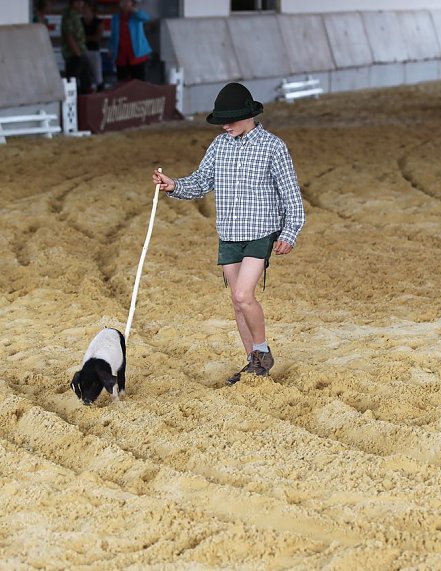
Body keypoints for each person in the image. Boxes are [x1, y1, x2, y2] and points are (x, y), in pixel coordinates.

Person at [152, 83, 306, 386]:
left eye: (230, 120)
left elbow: (291, 196)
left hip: (261, 231)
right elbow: (200, 181)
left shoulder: (273, 147)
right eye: (221, 120)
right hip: (229, 232)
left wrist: (289, 233)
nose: (225, 125)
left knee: (242, 295)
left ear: (248, 116)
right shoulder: (219, 145)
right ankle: (254, 364)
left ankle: (262, 351)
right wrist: (174, 186)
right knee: (237, 303)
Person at [110, 0, 152, 83]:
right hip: (121, 56)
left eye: (127, 1)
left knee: (139, 83)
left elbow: (146, 18)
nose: (125, 3)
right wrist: (111, 49)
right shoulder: (116, 18)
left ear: (132, 3)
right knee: (122, 83)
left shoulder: (137, 15)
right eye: (123, 1)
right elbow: (113, 36)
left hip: (137, 55)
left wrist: (134, 11)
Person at [61, 0, 94, 94]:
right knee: (74, 82)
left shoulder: (75, 15)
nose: (81, 4)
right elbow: (69, 36)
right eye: (78, 2)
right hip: (74, 55)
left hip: (80, 53)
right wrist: (78, 54)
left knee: (86, 82)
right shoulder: (69, 16)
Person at [81, 0, 105, 91]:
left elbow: (98, 37)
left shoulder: (98, 22)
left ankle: (101, 95)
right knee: (85, 76)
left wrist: (83, 38)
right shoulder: (80, 21)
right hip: (82, 50)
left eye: (86, 8)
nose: (84, 10)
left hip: (93, 51)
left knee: (97, 76)